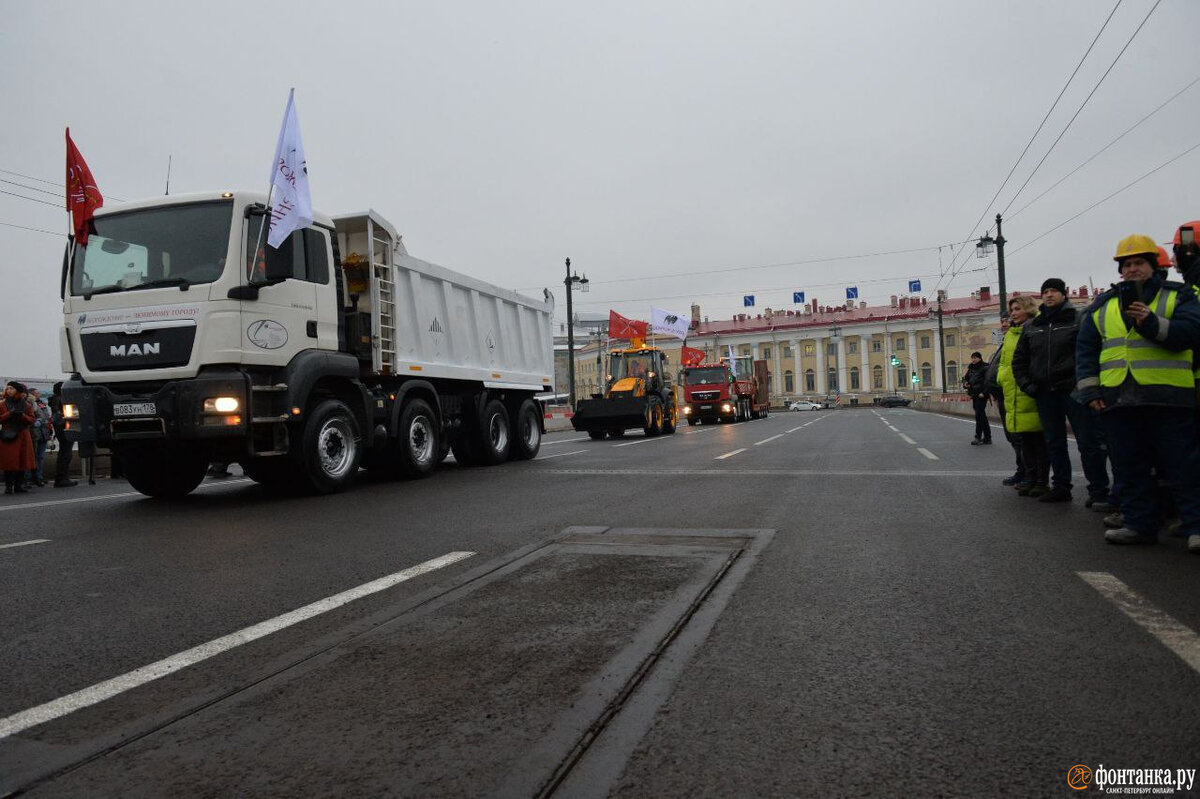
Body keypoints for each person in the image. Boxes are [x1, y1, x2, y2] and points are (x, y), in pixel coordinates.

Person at [1076, 234, 1200, 549]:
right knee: (1129, 466)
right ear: (1121, 269)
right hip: (1119, 398)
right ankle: (1138, 524)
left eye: (1139, 263)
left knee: (1182, 465)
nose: (1132, 269)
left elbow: (1190, 334)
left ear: (1153, 266)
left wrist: (1151, 322)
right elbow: (1086, 352)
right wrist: (1091, 392)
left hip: (1168, 395)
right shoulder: (1103, 305)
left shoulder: (1178, 296)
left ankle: (1195, 526)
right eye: (1127, 264)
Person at [1012, 277, 1111, 504]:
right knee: (1054, 442)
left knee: (1088, 443)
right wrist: (1029, 386)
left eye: (1054, 291)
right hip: (1045, 392)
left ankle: (1098, 491)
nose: (1049, 295)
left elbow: (1089, 353)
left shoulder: (1078, 320)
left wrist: (1083, 384)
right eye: (1045, 291)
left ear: (1063, 294)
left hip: (1074, 391)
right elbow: (1020, 361)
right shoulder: (1033, 327)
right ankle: (1061, 487)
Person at [997, 296, 1051, 496]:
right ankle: (1029, 477)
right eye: (1012, 310)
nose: (1013, 313)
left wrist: (1029, 384)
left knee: (1038, 440)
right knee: (1024, 439)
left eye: (1017, 309)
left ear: (1028, 309)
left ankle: (1041, 481)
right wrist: (1002, 379)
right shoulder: (1011, 333)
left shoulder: (1036, 329)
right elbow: (1005, 363)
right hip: (1013, 391)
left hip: (1030, 390)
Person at [985, 319, 1024, 484]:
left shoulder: (1021, 339)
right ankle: (1022, 471)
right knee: (1012, 437)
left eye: (1008, 320)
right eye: (1002, 321)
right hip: (1003, 395)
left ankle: (1030, 474)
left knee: (1021, 438)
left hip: (1016, 396)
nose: (1003, 325)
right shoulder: (1007, 341)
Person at [0, 381, 37, 495]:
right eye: (8, 388)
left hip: (23, 435)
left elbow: (32, 419)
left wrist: (22, 415)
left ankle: (19, 485)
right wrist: (9, 414)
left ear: (17, 391)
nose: (9, 390)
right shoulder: (2, 404)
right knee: (9, 462)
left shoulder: (26, 405)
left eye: (11, 388)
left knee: (22, 460)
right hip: (8, 435)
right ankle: (9, 486)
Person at [48, 382, 78, 487]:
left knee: (64, 452)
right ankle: (62, 477)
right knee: (66, 453)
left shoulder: (54, 399)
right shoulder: (63, 400)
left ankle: (62, 477)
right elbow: (73, 415)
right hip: (66, 428)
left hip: (60, 428)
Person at [962, 351, 991, 444]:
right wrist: (966, 384)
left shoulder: (985, 367)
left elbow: (989, 381)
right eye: (972, 358)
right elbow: (966, 378)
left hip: (982, 395)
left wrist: (984, 392)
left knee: (979, 416)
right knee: (981, 416)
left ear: (980, 358)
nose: (973, 360)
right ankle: (987, 438)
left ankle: (978, 437)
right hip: (974, 394)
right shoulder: (971, 368)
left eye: (975, 358)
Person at [28, 388, 53, 487]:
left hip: (44, 433)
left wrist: (49, 430)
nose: (39, 394)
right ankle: (29, 477)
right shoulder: (30, 404)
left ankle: (39, 476)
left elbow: (47, 418)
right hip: (35, 433)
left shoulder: (42, 403)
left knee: (40, 457)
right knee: (32, 457)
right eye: (37, 392)